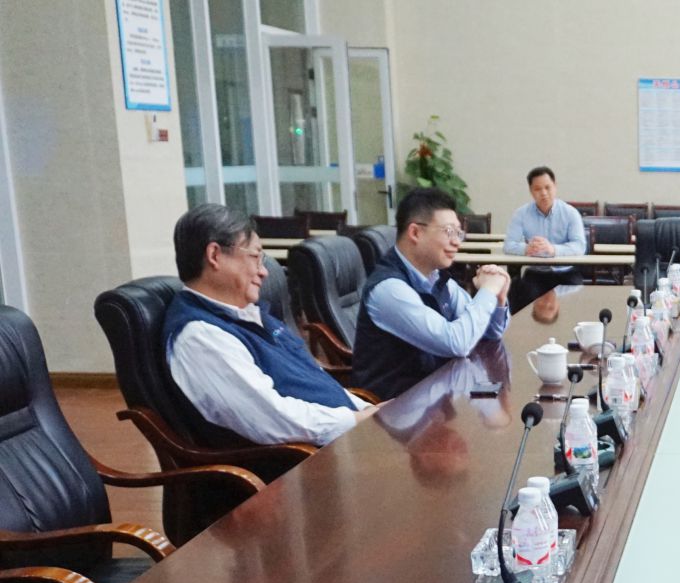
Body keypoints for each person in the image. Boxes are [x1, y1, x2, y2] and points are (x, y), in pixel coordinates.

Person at [162, 203, 376, 446]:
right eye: (255, 257)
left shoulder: (246, 314)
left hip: (349, 437)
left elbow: (314, 381)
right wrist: (362, 420)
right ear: (215, 256)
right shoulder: (201, 337)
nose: (263, 272)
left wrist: (370, 410)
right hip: (315, 459)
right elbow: (275, 420)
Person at [353, 188, 510, 400]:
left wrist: (498, 300)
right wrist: (488, 290)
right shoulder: (389, 289)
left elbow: (489, 333)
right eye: (448, 231)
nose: (457, 242)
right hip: (394, 409)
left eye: (459, 233)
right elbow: (457, 343)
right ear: (415, 233)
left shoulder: (436, 277)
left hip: (436, 395)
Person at [504, 165, 587, 313]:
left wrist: (553, 249)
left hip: (566, 272)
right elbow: (508, 245)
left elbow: (580, 246)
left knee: (576, 302)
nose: (543, 193)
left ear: (555, 187)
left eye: (548, 187)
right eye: (537, 189)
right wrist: (526, 249)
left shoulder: (570, 213)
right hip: (536, 272)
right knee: (518, 295)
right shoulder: (521, 214)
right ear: (531, 191)